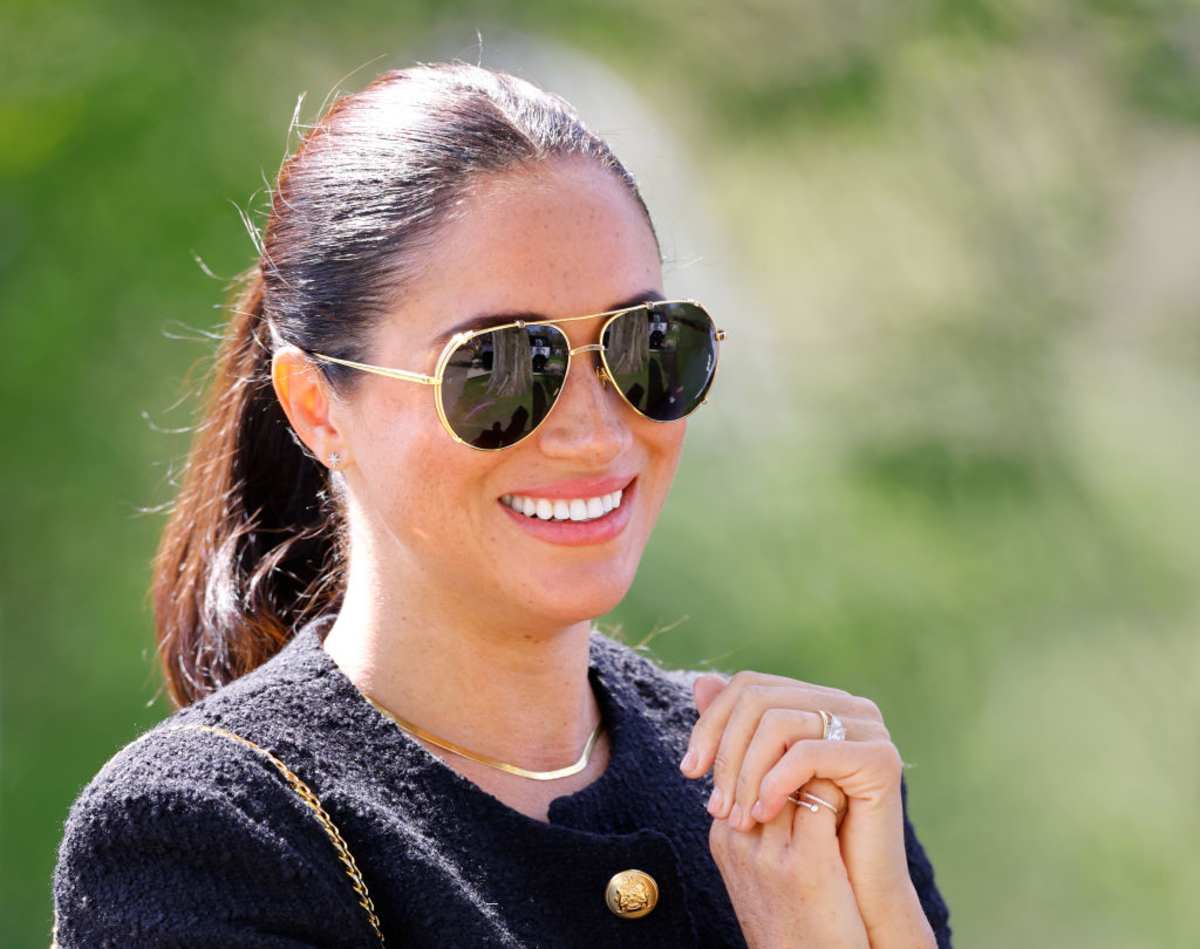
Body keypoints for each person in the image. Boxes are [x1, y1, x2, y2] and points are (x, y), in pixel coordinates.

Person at [50, 61, 952, 948]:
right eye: (500, 367)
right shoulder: (205, 839)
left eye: (643, 346)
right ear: (317, 407)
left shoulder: (801, 795)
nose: (596, 434)